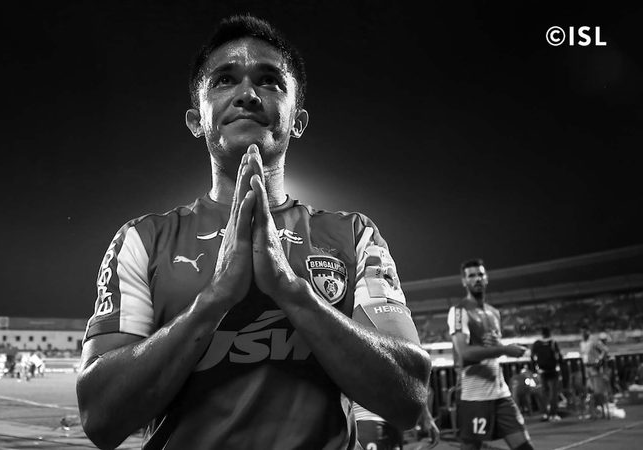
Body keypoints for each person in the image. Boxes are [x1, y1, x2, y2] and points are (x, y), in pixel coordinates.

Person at [76, 14, 431, 450]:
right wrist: (214, 299)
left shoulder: (355, 235)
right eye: (224, 80)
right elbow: (100, 418)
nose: (247, 94)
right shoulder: (143, 239)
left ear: (298, 120)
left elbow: (409, 397)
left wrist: (291, 291)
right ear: (196, 120)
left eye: (269, 81)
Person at [448, 259, 534, 450]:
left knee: (525, 447)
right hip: (473, 396)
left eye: (480, 274)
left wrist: (499, 346)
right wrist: (504, 349)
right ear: (464, 281)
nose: (477, 279)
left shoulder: (494, 313)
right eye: (471, 275)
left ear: (486, 278)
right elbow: (464, 353)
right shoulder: (459, 311)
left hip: (501, 394)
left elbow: (490, 350)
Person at [530, 327, 563, 421]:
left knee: (544, 393)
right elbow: (558, 356)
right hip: (553, 370)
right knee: (553, 393)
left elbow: (532, 356)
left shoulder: (537, 343)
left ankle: (545, 413)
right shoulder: (552, 342)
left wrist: (535, 368)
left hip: (542, 371)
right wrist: (560, 364)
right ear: (549, 333)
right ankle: (553, 413)